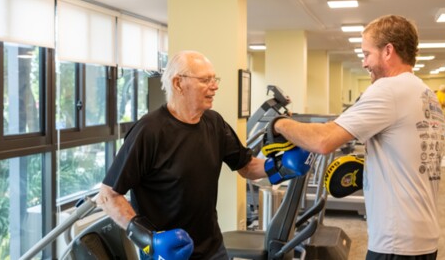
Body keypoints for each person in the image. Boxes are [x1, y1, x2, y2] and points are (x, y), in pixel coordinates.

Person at [97, 50, 312, 260]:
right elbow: (108, 196)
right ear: (178, 83)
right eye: (205, 80)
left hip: (212, 247)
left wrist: (280, 166)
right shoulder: (149, 131)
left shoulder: (214, 123)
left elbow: (246, 166)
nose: (215, 86)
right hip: (168, 251)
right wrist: (149, 239)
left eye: (214, 79)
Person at [268, 15, 445, 259]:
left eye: (366, 54)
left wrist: (280, 124)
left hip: (396, 241)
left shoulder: (388, 89)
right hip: (422, 236)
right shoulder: (426, 93)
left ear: (388, 51)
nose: (364, 63)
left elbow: (323, 141)